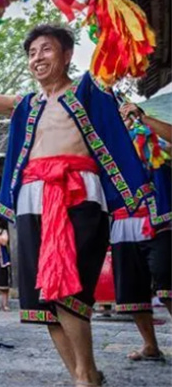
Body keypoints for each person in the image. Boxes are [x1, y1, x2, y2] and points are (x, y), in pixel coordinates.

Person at [0, 19, 154, 385]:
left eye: (47, 49)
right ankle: (83, 375)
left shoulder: (89, 90)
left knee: (68, 288)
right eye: (32, 52)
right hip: (31, 200)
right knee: (43, 300)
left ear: (68, 54)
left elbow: (116, 50)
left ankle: (85, 376)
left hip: (78, 195)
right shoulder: (25, 104)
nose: (37, 57)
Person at [108, 102, 171, 362]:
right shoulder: (108, 148)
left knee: (167, 280)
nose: (124, 117)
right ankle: (150, 345)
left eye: (126, 113)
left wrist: (143, 119)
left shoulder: (155, 142)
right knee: (132, 290)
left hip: (161, 220)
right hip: (124, 223)